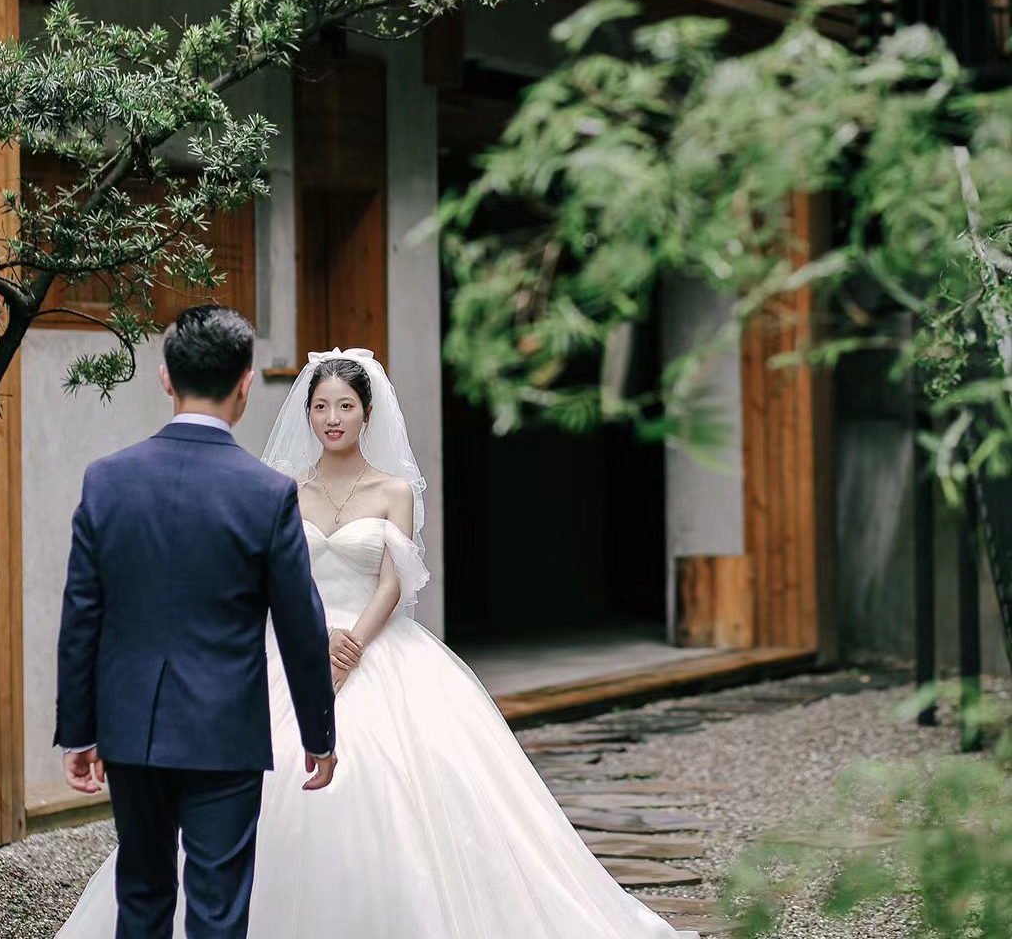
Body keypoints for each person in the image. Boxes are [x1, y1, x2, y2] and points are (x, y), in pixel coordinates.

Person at [57, 345, 696, 939]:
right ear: (306, 413)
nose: (332, 418)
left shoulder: (394, 490)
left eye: (345, 406)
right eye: (321, 406)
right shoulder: (283, 488)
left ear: (367, 413)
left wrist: (353, 644)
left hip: (379, 643)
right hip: (298, 644)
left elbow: (395, 579)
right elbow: (271, 581)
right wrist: (313, 641)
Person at [54, 306, 336, 939]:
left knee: (142, 896)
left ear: (165, 378)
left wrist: (79, 731)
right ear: (245, 383)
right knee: (218, 909)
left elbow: (81, 617)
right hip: (225, 731)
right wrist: (318, 733)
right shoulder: (267, 493)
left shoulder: (106, 481)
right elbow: (301, 625)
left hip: (131, 729)